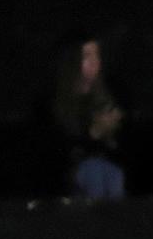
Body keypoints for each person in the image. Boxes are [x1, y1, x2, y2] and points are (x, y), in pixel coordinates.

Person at [50, 36, 125, 199]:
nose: (94, 61)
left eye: (96, 55)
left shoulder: (102, 95)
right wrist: (93, 133)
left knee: (114, 174)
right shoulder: (61, 98)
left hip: (99, 163)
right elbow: (62, 147)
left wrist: (111, 131)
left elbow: (112, 147)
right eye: (86, 56)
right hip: (70, 169)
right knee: (94, 171)